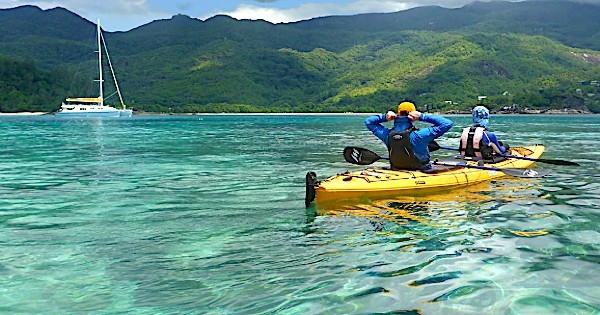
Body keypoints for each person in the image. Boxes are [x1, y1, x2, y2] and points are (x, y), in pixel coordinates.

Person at [365, 101, 454, 170]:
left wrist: (384, 117)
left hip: (396, 168)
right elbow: (447, 123)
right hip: (421, 169)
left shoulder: (387, 135)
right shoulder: (419, 135)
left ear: (398, 113)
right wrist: (422, 116)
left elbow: (369, 122)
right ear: (413, 114)